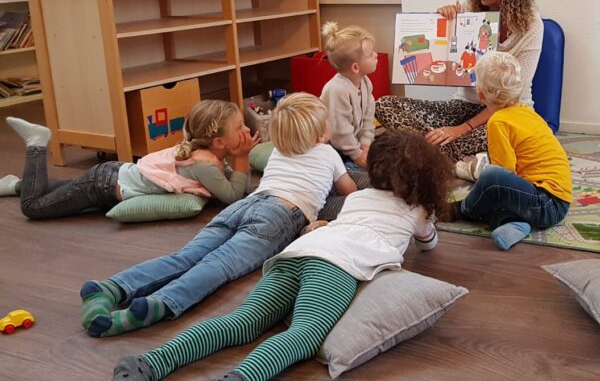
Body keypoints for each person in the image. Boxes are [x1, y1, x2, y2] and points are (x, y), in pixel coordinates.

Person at [112, 130, 454, 381]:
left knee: (243, 321)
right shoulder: (418, 209)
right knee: (303, 334)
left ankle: (151, 363)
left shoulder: (359, 197)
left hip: (298, 253)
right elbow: (428, 243)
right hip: (337, 267)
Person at [80, 92, 357, 338]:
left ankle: (110, 288)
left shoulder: (278, 152)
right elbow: (349, 189)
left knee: (186, 256)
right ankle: (161, 303)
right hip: (279, 215)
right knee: (219, 265)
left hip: (244, 205)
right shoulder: (328, 153)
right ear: (321, 133)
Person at [376, 0, 543, 164]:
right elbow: (444, 56)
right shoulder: (469, 10)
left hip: (506, 111)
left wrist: (460, 130)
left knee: (503, 132)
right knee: (385, 105)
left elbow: (511, 96)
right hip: (465, 105)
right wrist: (444, 22)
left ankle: (428, 150)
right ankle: (443, 151)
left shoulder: (531, 25)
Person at [0, 100, 257, 220]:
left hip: (110, 175)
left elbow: (231, 184)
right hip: (101, 187)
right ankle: (36, 144)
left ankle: (16, 185)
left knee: (61, 191)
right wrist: (243, 159)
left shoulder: (208, 155)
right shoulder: (204, 165)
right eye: (239, 127)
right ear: (219, 143)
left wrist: (235, 160)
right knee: (34, 208)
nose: (246, 130)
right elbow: (233, 196)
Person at [447, 52, 572, 251]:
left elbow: (503, 171)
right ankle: (514, 223)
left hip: (545, 201)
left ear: (480, 95)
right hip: (559, 204)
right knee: (494, 203)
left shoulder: (498, 121)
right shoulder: (529, 113)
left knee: (491, 177)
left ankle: (461, 210)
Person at [320, 22, 378, 170]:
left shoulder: (365, 82)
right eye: (371, 55)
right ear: (355, 67)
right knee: (360, 177)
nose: (376, 55)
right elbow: (340, 132)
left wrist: (366, 145)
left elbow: (368, 118)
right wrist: (357, 154)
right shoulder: (337, 90)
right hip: (330, 148)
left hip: (350, 146)